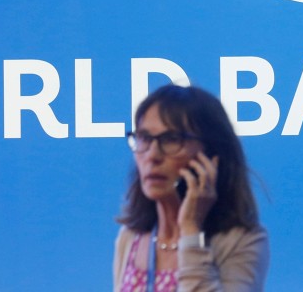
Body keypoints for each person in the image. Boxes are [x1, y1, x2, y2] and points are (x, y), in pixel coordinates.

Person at [114, 84, 269, 292]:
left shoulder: (242, 241)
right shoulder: (131, 236)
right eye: (144, 138)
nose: (152, 155)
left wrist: (190, 230)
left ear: (210, 156)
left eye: (171, 140)